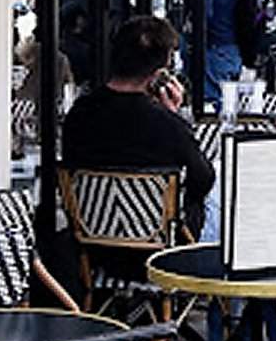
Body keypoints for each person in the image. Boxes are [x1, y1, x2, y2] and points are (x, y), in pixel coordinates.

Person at [62, 15, 216, 235]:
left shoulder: (79, 113)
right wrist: (175, 115)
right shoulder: (167, 125)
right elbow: (203, 179)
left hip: (93, 242)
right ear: (159, 74)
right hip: (159, 247)